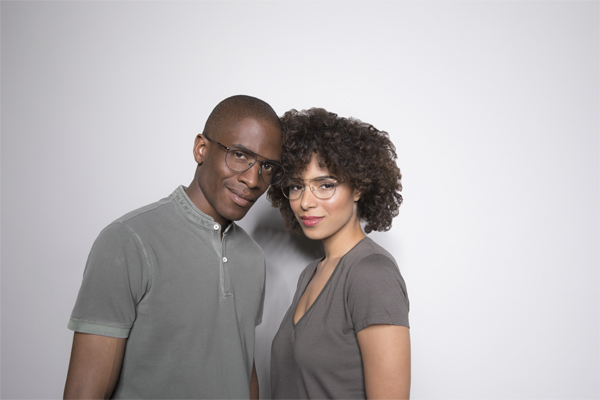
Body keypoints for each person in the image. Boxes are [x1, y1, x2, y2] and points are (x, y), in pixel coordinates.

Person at [64, 95, 285, 399]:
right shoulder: (127, 240)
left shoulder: (253, 257)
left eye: (267, 166)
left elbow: (243, 369)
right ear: (201, 148)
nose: (253, 179)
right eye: (239, 155)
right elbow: (84, 393)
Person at [268, 108, 410, 399]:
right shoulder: (310, 273)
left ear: (358, 188)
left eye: (325, 185)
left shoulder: (372, 275)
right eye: (296, 186)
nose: (305, 202)